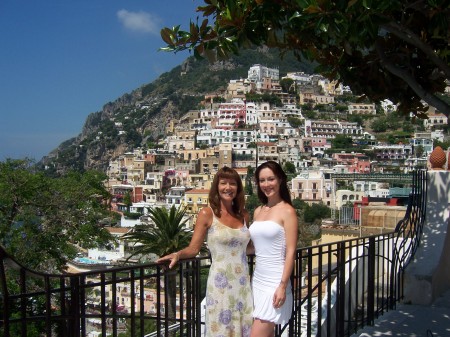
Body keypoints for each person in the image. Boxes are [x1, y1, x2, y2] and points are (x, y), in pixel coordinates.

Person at [157, 166, 253, 337]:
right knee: (221, 329)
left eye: (232, 183)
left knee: (243, 328)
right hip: (220, 284)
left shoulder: (244, 215)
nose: (228, 187)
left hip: (243, 283)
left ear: (238, 188)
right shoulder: (207, 214)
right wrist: (177, 255)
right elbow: (193, 249)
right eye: (223, 183)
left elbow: (249, 248)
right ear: (216, 186)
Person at [249, 161, 298, 337]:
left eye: (271, 179)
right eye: (262, 180)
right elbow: (255, 246)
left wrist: (283, 286)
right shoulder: (258, 211)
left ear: (281, 179)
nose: (266, 184)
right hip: (258, 281)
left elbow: (291, 251)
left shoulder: (287, 211)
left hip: (275, 283)